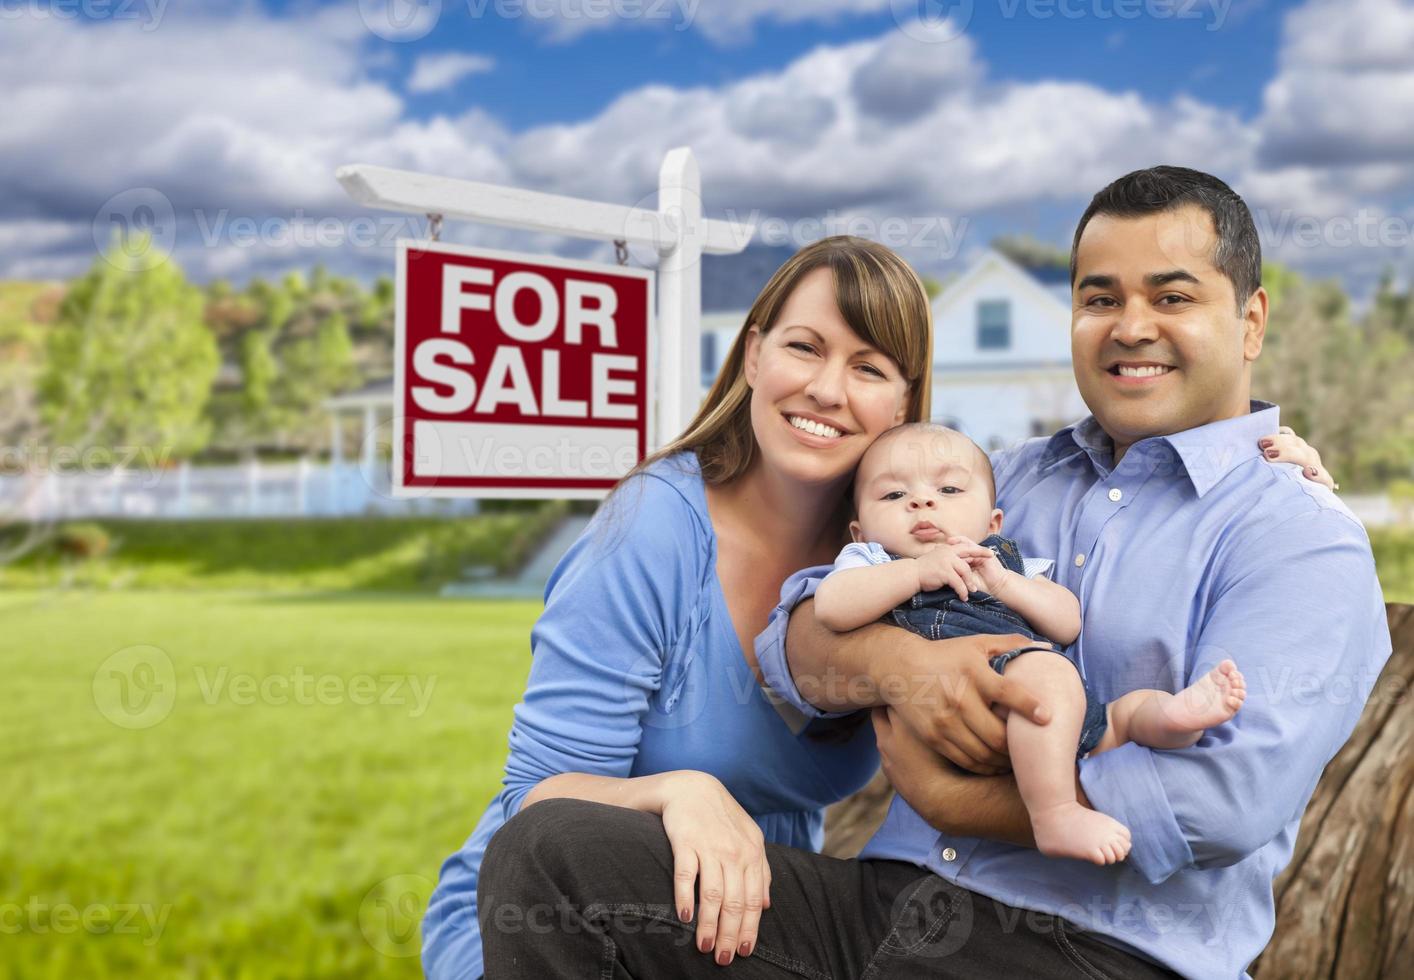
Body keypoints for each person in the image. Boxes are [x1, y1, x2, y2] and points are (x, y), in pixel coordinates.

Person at [477, 167, 1387, 979]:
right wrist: (896, 667)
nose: (1131, 327)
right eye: (1099, 297)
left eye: (1173, 296)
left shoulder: (1299, 538)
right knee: (556, 855)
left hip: (1088, 951)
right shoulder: (1002, 479)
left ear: (1251, 320)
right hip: (876, 911)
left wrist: (952, 794)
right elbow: (794, 641)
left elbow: (1220, 804)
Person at [815, 421, 1246, 867]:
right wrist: (915, 573)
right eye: (892, 496)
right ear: (859, 531)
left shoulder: (1001, 561)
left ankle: (1175, 718)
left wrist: (1006, 584)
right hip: (970, 705)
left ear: (992, 523)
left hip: (1046, 712)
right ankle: (1055, 812)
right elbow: (831, 606)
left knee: (1122, 714)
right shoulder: (872, 561)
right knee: (1049, 672)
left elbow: (1067, 621)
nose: (922, 502)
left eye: (948, 490)